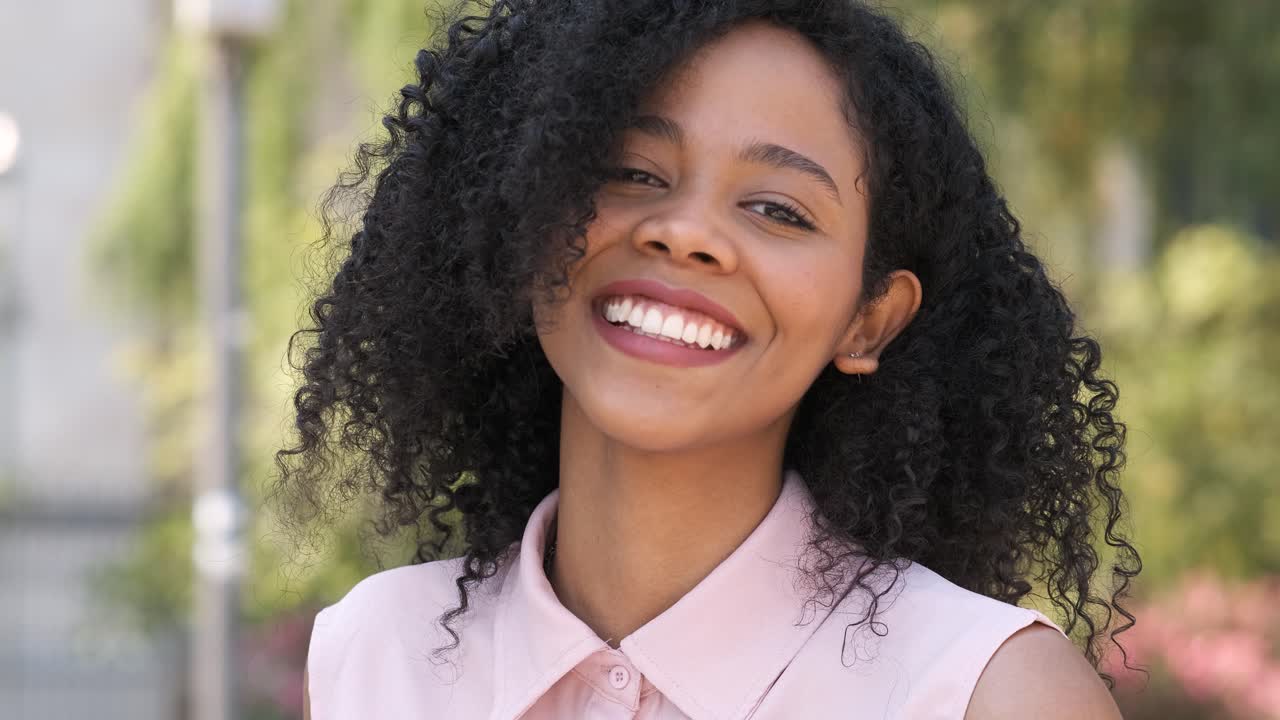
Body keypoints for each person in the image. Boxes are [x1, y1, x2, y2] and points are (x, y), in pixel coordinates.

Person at [275, 0, 1141, 717]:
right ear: (529, 220)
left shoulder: (986, 694)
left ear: (868, 322)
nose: (685, 233)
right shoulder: (374, 660)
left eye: (778, 210)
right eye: (633, 173)